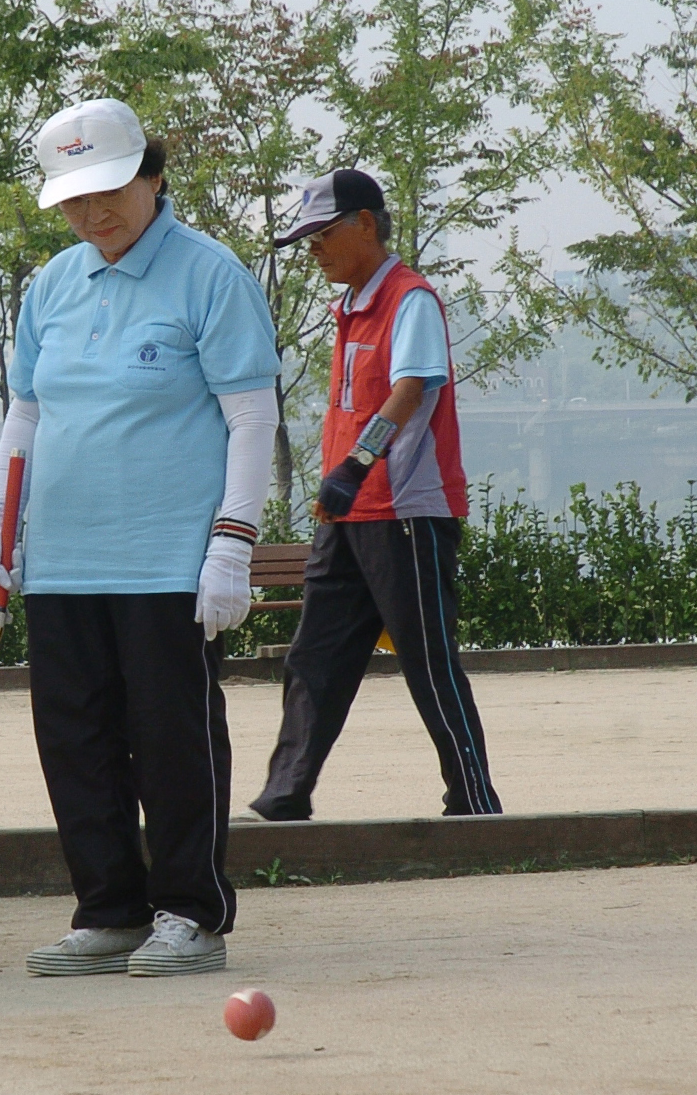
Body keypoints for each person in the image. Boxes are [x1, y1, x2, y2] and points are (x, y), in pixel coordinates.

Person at [0, 98, 281, 977]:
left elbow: (252, 415)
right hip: (63, 557)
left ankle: (191, 910)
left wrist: (232, 542)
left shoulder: (210, 274)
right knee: (76, 737)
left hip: (168, 560)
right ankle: (108, 909)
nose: (93, 213)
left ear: (152, 173)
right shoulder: (54, 285)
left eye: (110, 189)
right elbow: (26, 414)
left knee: (173, 736)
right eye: (74, 199)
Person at [247, 170, 502, 821]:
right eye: (306, 241)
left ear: (366, 223)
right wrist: (342, 485)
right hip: (346, 514)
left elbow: (413, 385)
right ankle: (284, 794)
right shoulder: (353, 307)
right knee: (315, 657)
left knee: (427, 659)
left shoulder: (408, 299)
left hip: (404, 513)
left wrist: (357, 464)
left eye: (322, 235)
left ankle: (474, 800)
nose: (314, 251)